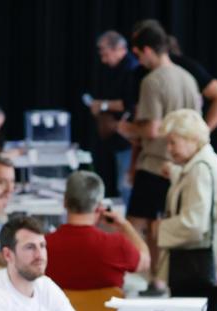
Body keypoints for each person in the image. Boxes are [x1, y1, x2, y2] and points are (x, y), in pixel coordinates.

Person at [119, 21, 200, 296]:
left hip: (155, 163)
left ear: (148, 50)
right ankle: (159, 279)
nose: (139, 60)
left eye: (139, 54)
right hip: (181, 164)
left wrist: (126, 128)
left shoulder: (152, 81)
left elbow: (152, 128)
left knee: (132, 223)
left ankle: (122, 275)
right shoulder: (188, 78)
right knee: (159, 226)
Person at [155, 109, 217, 311]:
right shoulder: (207, 164)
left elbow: (194, 224)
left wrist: (160, 228)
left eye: (173, 142)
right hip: (208, 266)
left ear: (192, 140)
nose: (169, 148)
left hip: (197, 268)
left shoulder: (200, 169)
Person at [45, 171, 150, 295]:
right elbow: (145, 262)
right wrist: (125, 226)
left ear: (65, 202)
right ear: (99, 207)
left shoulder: (43, 246)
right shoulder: (117, 245)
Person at [90, 30, 142, 204]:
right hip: (119, 138)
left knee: (125, 184)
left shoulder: (131, 68)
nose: (104, 59)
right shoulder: (116, 69)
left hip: (129, 138)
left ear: (118, 48)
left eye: (106, 53)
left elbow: (129, 103)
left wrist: (103, 105)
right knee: (122, 184)